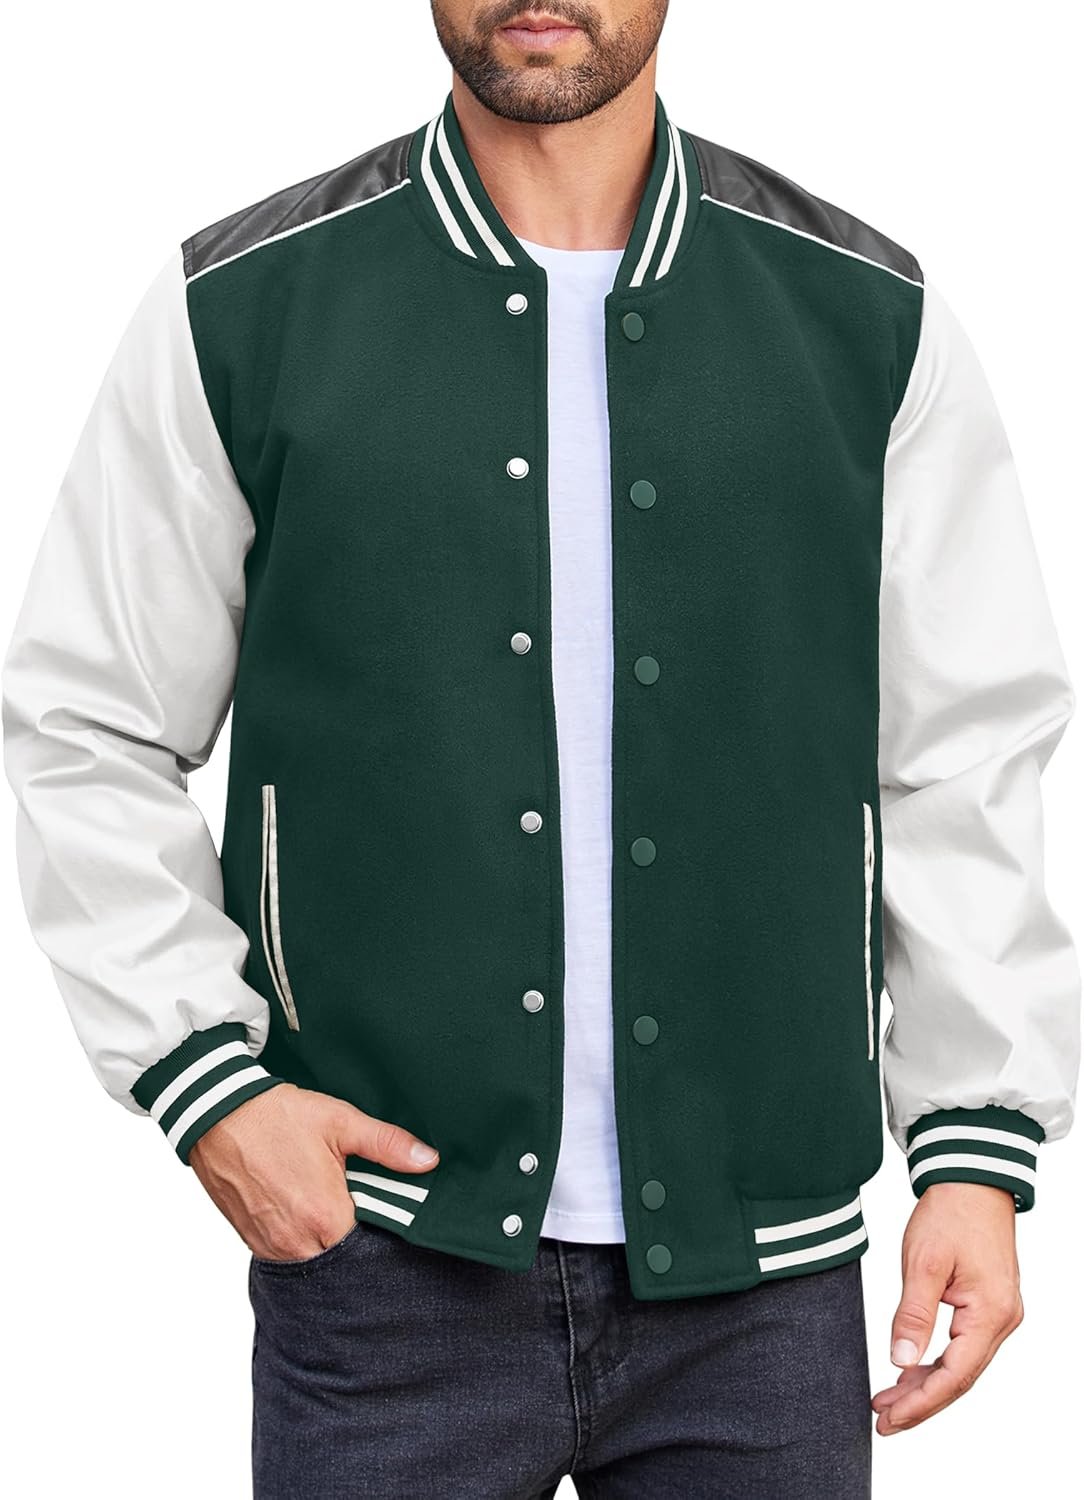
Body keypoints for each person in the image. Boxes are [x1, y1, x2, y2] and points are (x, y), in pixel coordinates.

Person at [3, 3, 1079, 1496]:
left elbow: (962, 754)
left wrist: (975, 1147)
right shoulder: (247, 304)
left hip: (762, 1284)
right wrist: (212, 1088)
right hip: (381, 1261)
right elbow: (86, 718)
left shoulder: (862, 313)